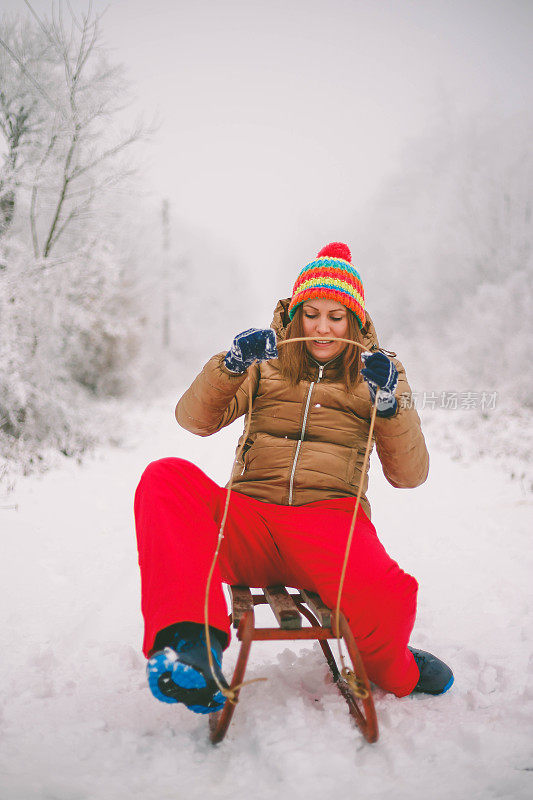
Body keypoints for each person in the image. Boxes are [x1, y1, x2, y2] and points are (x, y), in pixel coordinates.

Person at [134, 241, 453, 715]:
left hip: (330, 524)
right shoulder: (266, 362)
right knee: (166, 477)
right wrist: (231, 366)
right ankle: (190, 647)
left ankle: (399, 669)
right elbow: (193, 420)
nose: (322, 326)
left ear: (355, 323)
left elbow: (410, 474)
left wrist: (388, 403)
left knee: (390, 595)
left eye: (336, 316)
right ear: (295, 314)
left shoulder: (380, 372)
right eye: (312, 313)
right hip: (249, 519)